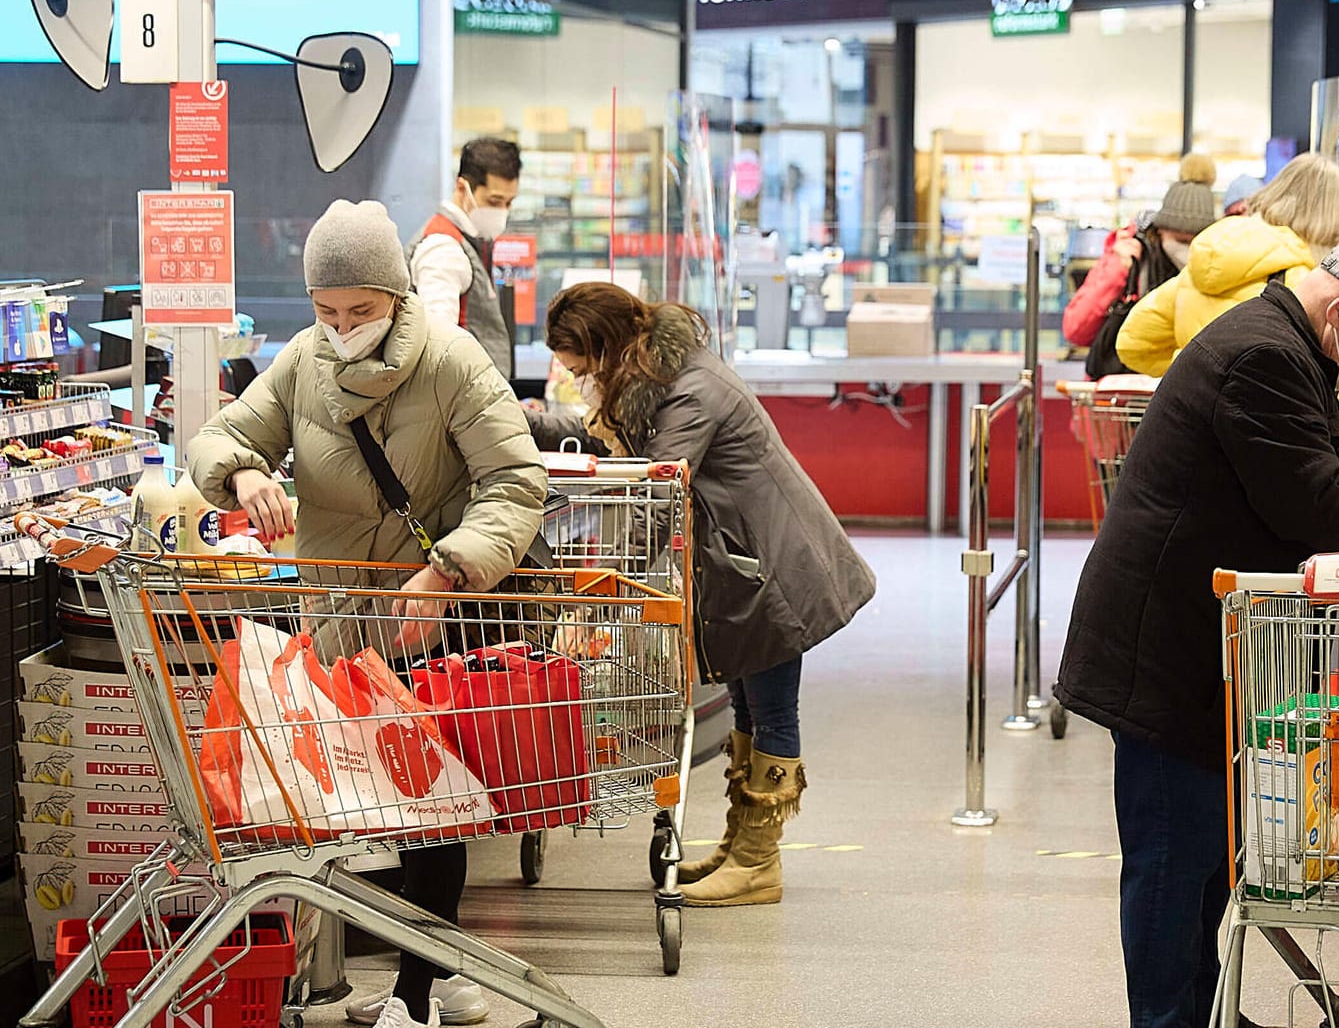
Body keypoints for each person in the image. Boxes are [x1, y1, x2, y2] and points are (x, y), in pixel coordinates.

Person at [1056, 240, 1339, 1028]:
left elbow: (1306, 485)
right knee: (1172, 863)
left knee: (1204, 863)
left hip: (1198, 642)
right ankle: (1166, 1019)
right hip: (1166, 648)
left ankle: (1196, 1007)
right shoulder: (1262, 355)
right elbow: (1312, 503)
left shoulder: (1282, 344)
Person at [190, 200, 549, 1028]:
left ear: (395, 296)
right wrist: (243, 473)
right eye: (327, 311)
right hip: (345, 627)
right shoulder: (302, 363)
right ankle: (449, 977)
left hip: (442, 623)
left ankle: (417, 996)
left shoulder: (452, 361)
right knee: (378, 802)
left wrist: (448, 570)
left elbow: (516, 483)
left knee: (430, 802)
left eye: (362, 309)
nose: (343, 326)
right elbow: (218, 437)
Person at [535, 282, 876, 907]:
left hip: (772, 569)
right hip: (745, 565)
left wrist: (601, 592)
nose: (577, 378)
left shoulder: (692, 392)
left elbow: (657, 497)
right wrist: (524, 424)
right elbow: (610, 440)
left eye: (582, 367)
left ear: (609, 351)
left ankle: (758, 862)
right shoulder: (663, 380)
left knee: (773, 711)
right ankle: (739, 845)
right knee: (747, 708)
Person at [1116, 151, 1339, 429]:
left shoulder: (1205, 259)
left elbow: (1134, 342)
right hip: (1251, 442)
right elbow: (1323, 392)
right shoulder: (1304, 285)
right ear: (1335, 227)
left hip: (1186, 428)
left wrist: (1191, 368)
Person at [1061, 159, 1219, 354]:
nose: (1185, 251)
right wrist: (1117, 272)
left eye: (1195, 241)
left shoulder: (1215, 269)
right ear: (1159, 231)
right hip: (1125, 379)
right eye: (1180, 240)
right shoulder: (1131, 256)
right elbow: (1075, 329)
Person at [405, 137, 523, 379]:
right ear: (462, 188)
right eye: (494, 201)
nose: (502, 211)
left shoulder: (471, 241)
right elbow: (436, 347)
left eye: (509, 203)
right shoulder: (442, 249)